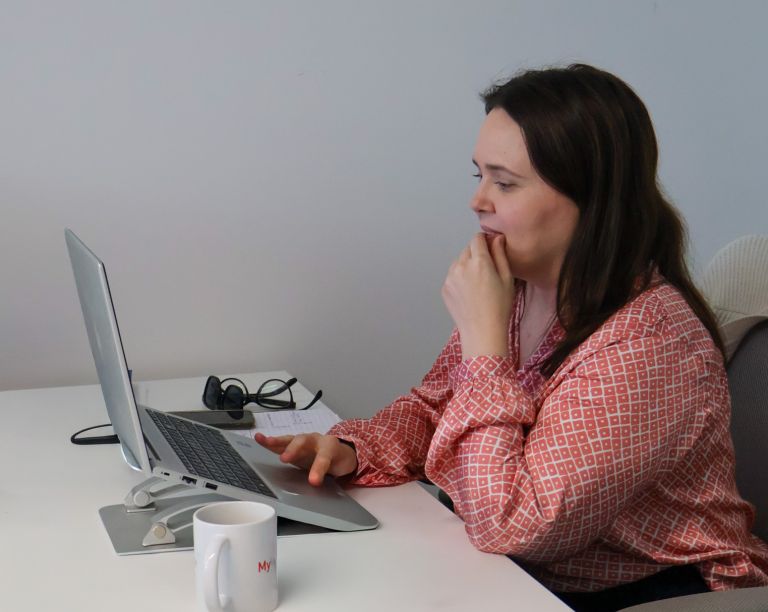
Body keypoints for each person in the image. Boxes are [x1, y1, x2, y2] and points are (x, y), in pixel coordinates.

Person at [254, 64, 768, 610]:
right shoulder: (521, 288)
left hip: (660, 592)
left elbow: (514, 523)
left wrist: (483, 341)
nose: (479, 201)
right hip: (531, 572)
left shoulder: (651, 344)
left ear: (590, 201)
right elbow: (435, 411)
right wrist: (353, 450)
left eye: (505, 182)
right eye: (478, 176)